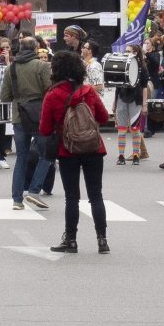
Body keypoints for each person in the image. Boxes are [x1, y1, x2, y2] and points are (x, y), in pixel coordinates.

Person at [38, 49, 110, 253]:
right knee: (96, 195)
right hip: (94, 147)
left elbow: (44, 129)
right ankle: (102, 239)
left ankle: (70, 239)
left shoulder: (52, 95)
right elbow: (104, 118)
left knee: (72, 197)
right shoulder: (89, 91)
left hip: (67, 149)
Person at [1, 37, 53, 211]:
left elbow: (4, 97)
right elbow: (49, 90)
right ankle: (34, 189)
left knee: (21, 158)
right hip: (39, 114)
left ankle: (17, 199)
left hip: (19, 114)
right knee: (46, 154)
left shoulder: (11, 68)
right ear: (36, 48)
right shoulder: (42, 66)